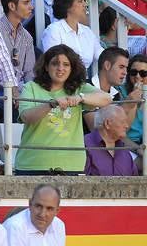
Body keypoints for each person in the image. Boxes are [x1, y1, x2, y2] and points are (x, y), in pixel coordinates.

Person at [16, 44, 111, 175]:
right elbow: (26, 117)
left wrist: (81, 98)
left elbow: (107, 98)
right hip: (33, 162)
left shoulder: (80, 88)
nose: (61, 68)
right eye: (55, 63)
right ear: (46, 67)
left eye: (66, 64)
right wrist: (50, 104)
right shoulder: (31, 87)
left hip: (71, 164)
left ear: (72, 68)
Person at [41, 0, 104, 71]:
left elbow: (102, 55)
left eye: (84, 1)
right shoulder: (54, 30)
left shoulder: (87, 31)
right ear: (67, 5)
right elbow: (53, 61)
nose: (85, 5)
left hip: (83, 81)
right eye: (80, 1)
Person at [0, 0, 36, 94]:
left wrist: (30, 94)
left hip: (21, 91)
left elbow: (29, 73)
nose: (31, 7)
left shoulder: (27, 37)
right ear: (12, 6)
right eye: (26, 3)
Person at [85, 104, 140, 175]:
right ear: (107, 123)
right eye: (122, 122)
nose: (126, 126)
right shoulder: (85, 145)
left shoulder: (124, 150)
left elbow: (134, 181)